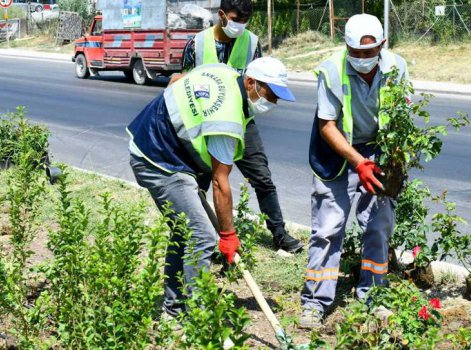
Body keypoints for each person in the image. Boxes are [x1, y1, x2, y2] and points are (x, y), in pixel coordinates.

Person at [127, 57, 296, 318]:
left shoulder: (224, 73)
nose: (272, 103)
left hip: (158, 146)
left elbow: (176, 80)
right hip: (158, 161)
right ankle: (199, 318)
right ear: (250, 82)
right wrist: (228, 235)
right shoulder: (226, 119)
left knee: (186, 232)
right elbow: (220, 182)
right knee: (203, 236)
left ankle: (173, 310)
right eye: (270, 95)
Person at [299, 14, 410, 329]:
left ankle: (374, 296)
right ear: (345, 46)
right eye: (355, 52)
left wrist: (395, 162)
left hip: (379, 151)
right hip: (336, 153)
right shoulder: (331, 70)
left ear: (382, 45)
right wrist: (357, 162)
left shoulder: (396, 67)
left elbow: (402, 115)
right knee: (328, 228)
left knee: (378, 226)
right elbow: (327, 125)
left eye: (369, 52)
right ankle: (314, 303)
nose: (362, 59)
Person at [172, 0, 304, 254]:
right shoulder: (197, 44)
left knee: (262, 178)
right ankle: (201, 239)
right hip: (204, 125)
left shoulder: (252, 42)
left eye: (245, 21)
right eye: (236, 19)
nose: (240, 26)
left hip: (241, 120)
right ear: (221, 15)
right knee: (199, 183)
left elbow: (258, 85)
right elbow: (183, 81)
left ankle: (279, 233)